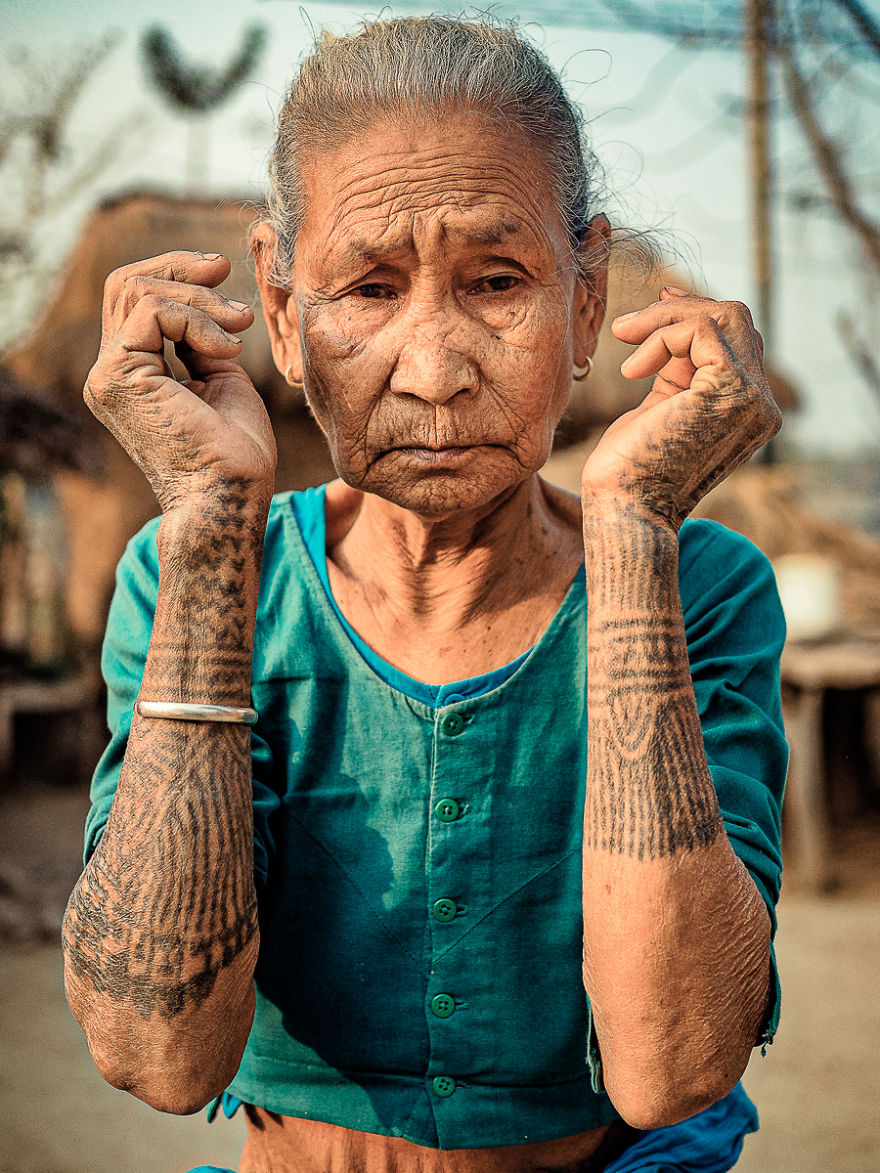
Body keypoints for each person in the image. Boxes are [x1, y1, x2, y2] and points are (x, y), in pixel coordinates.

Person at [62, 15, 788, 1173]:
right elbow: (158, 1056)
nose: (436, 368)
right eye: (366, 289)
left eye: (498, 281)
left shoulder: (699, 585)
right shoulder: (196, 579)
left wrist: (637, 532)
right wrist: (205, 527)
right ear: (287, 317)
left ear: (587, 299)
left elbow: (671, 1067)